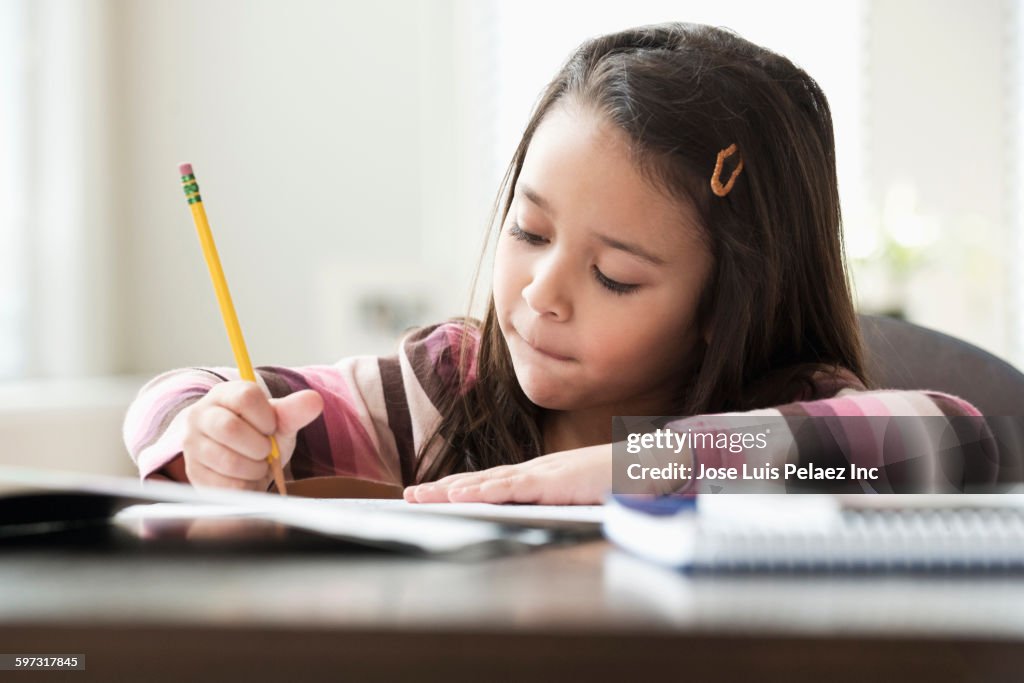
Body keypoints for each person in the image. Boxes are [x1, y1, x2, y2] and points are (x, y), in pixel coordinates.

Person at [123, 23, 997, 504]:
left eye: (615, 276)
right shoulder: (448, 386)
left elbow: (955, 434)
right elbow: (176, 397)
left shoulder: (787, 403)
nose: (540, 296)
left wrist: (634, 466)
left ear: (728, 303)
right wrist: (214, 435)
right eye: (529, 234)